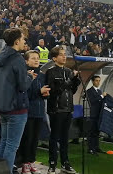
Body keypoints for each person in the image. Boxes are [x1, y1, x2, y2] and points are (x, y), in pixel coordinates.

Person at [0, 28, 35, 174]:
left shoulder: (0, 57)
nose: (25, 41)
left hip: (3, 107)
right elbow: (23, 85)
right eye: (23, 39)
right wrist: (30, 77)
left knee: (4, 143)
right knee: (11, 146)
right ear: (16, 41)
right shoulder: (17, 59)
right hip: (17, 108)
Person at [46, 46, 80, 174]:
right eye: (61, 54)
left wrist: (75, 80)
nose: (64, 56)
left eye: (64, 54)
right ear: (54, 58)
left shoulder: (68, 70)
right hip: (56, 109)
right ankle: (52, 164)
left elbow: (72, 91)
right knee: (54, 137)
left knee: (65, 138)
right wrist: (70, 80)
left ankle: (65, 163)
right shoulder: (51, 72)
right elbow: (54, 91)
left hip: (67, 109)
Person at [17, 50, 50, 174]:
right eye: (33, 58)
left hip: (40, 112)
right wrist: (39, 92)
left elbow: (43, 93)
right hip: (28, 111)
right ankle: (24, 163)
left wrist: (45, 94)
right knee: (27, 138)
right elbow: (25, 93)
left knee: (35, 139)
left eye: (37, 58)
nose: (36, 60)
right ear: (26, 61)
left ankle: (31, 161)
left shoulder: (42, 75)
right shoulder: (24, 74)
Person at [87, 75, 106, 155]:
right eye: (96, 81)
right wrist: (102, 96)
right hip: (93, 115)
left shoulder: (99, 91)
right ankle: (91, 148)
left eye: (99, 80)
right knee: (92, 132)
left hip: (99, 114)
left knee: (97, 132)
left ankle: (96, 147)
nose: (98, 82)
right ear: (92, 81)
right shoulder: (89, 91)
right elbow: (92, 101)